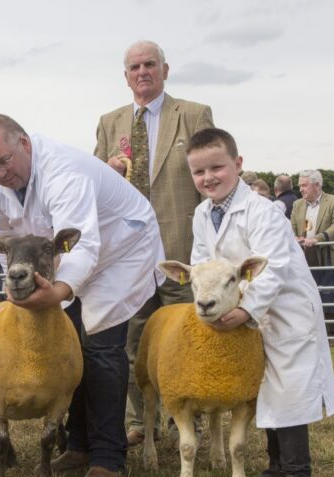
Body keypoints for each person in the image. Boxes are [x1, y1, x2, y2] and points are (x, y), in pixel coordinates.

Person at [0, 114, 164, 477]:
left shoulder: (63, 172)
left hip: (121, 248)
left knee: (100, 347)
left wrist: (57, 292)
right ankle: (78, 443)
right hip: (64, 261)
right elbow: (4, 242)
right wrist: (17, 292)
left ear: (24, 144)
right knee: (67, 347)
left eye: (4, 161)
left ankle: (108, 460)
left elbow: (86, 244)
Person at [186, 127, 334, 477]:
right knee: (263, 386)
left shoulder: (263, 210)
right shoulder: (202, 214)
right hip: (244, 312)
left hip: (284, 311)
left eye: (217, 167)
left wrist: (244, 311)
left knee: (288, 392)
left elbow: (272, 269)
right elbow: (203, 264)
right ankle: (276, 470)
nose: (208, 178)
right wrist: (216, 304)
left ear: (238, 164)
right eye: (198, 172)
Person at [94, 40, 213, 448]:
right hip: (129, 257)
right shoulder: (109, 122)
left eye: (149, 64)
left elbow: (207, 182)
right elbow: (97, 191)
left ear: (165, 69)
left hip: (181, 251)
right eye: (134, 67)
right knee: (133, 343)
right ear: (124, 76)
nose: (142, 72)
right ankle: (139, 420)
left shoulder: (194, 115)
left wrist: (207, 251)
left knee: (185, 340)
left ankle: (189, 417)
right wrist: (106, 172)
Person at [291, 170, 334, 336]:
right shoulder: (297, 204)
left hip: (328, 253)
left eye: (304, 185)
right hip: (305, 254)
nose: (301, 189)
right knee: (307, 291)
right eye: (300, 185)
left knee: (330, 291)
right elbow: (292, 225)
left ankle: (331, 331)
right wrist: (294, 237)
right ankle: (310, 329)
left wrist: (318, 239)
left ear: (317, 185)